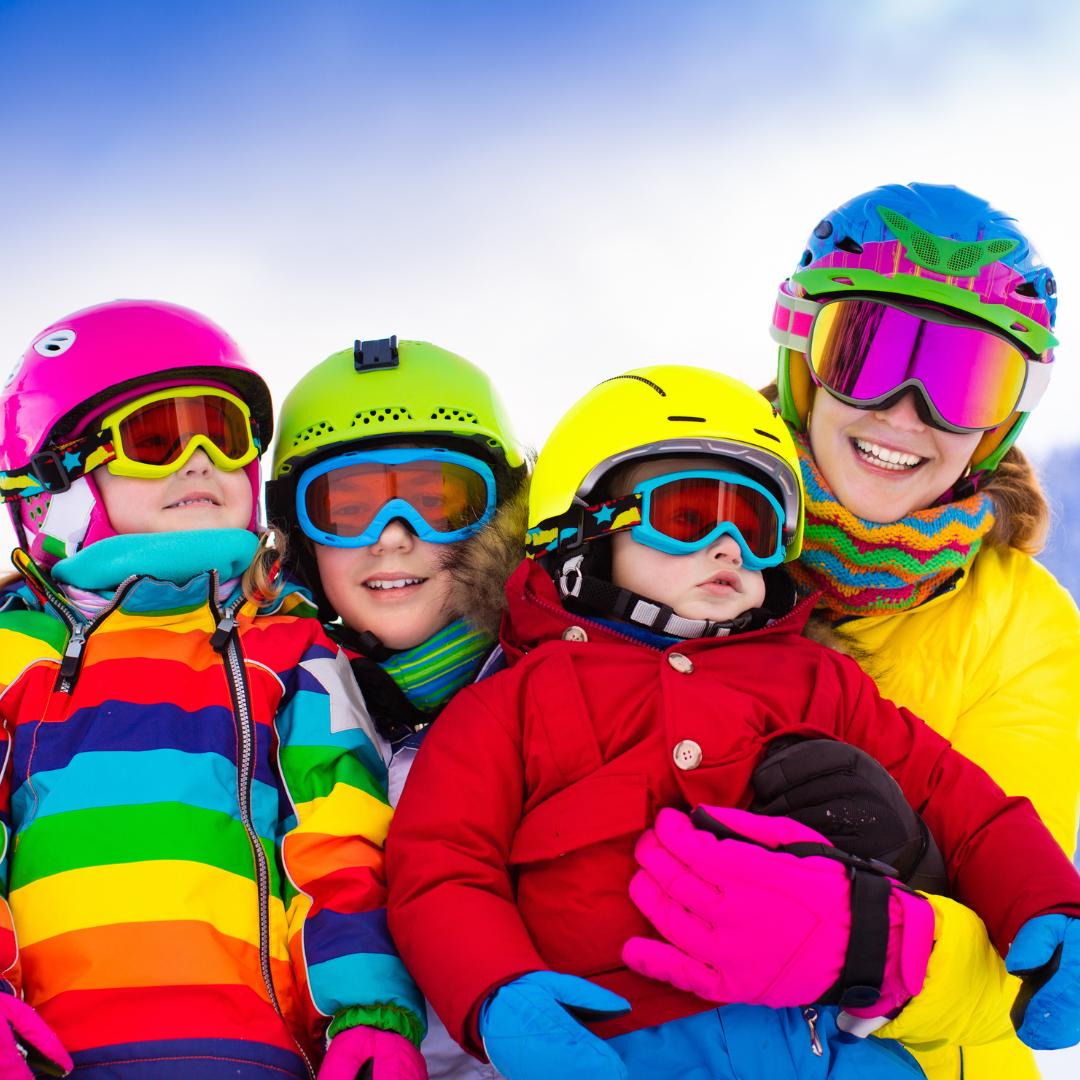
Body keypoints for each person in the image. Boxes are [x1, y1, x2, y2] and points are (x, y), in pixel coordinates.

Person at [384, 365, 1080, 1080]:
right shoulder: (508, 708)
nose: (727, 547)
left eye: (755, 526)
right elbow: (441, 867)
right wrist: (498, 993)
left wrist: (1042, 900)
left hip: (821, 1038)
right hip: (617, 1048)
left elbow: (956, 797)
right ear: (583, 530)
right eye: (688, 516)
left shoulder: (815, 680)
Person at [638, 182, 1080, 1079]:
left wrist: (877, 943)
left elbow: (1023, 958)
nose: (906, 412)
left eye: (965, 381)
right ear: (803, 358)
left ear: (1002, 422)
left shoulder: (1024, 624)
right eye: (867, 353)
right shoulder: (665, 530)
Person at [0, 302, 426, 1080]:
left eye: (222, 435)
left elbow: (338, 839)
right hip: (45, 1053)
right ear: (56, 476)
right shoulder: (10, 651)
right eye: (155, 439)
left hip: (249, 1056)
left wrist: (369, 1012)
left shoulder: (290, 650)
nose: (199, 461)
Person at [266, 335, 527, 1078]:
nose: (392, 537)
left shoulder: (556, 693)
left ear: (499, 519)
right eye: (346, 509)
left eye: (438, 501)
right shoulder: (268, 714)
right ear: (301, 544)